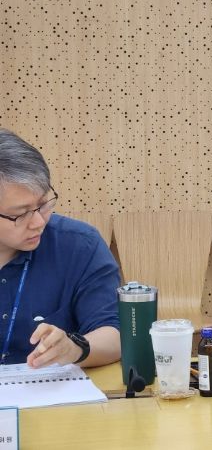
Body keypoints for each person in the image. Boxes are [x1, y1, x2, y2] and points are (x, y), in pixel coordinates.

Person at [0, 129, 121, 367]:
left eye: (44, 204)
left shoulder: (80, 245)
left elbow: (114, 335)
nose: (39, 222)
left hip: (54, 388)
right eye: (21, 214)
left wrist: (76, 348)